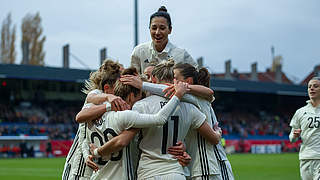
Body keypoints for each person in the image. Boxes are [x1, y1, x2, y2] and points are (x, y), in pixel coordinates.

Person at [80, 67, 189, 180]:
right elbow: (159, 119)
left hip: (98, 175)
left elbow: (84, 136)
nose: (143, 100)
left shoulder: (95, 114)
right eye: (141, 97)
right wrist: (178, 95)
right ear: (132, 96)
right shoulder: (128, 117)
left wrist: (87, 153)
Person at [62, 59, 128, 180]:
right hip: (80, 164)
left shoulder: (119, 101)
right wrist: (108, 101)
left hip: (98, 166)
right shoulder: (98, 95)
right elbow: (81, 117)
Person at [131, 6, 198, 75]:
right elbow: (132, 78)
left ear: (170, 30)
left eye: (162, 28)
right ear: (149, 29)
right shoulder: (139, 51)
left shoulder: (181, 55)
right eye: (154, 28)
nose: (157, 32)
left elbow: (197, 76)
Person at [289, 76, 320, 180]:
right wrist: (294, 135)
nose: (312, 89)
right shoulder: (300, 112)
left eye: (315, 86)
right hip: (305, 158)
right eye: (309, 86)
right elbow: (291, 139)